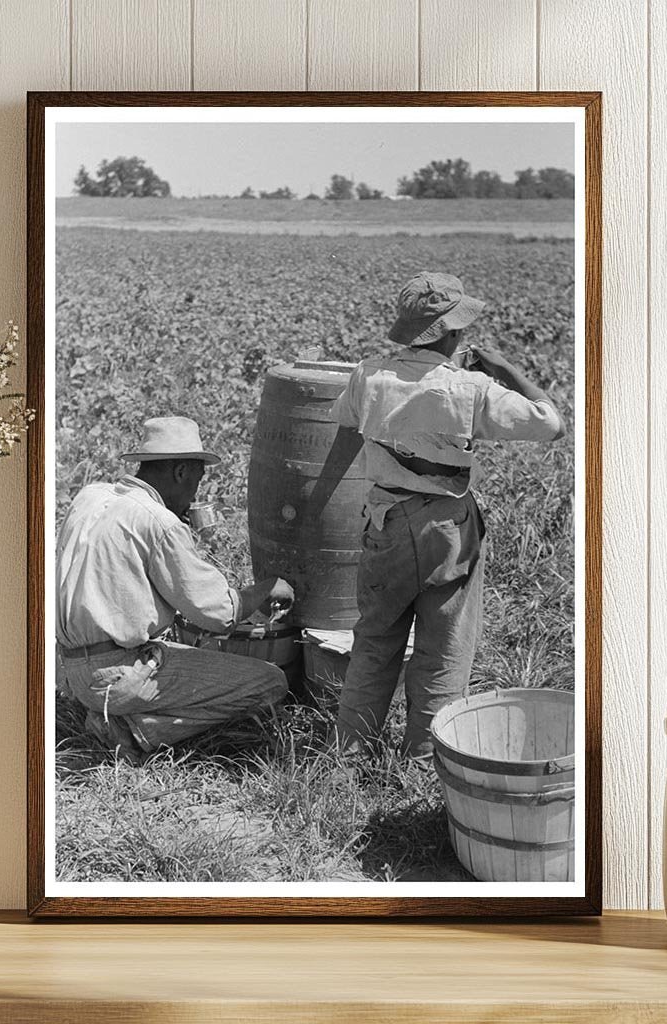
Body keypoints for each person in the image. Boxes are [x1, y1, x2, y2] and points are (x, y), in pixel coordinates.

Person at [331, 271, 565, 760]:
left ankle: (348, 756)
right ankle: (422, 761)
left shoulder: (368, 373)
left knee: (374, 641)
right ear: (454, 334)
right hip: (446, 529)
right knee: (443, 647)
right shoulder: (471, 388)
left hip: (385, 521)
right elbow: (550, 424)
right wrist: (503, 370)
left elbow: (346, 424)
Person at [56, 416, 295, 756]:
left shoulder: (90, 497)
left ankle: (114, 714)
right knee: (270, 681)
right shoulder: (158, 522)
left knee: (191, 657)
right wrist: (265, 588)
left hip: (70, 670)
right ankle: (135, 731)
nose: (194, 494)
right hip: (119, 674)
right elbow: (218, 613)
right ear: (181, 472)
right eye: (196, 481)